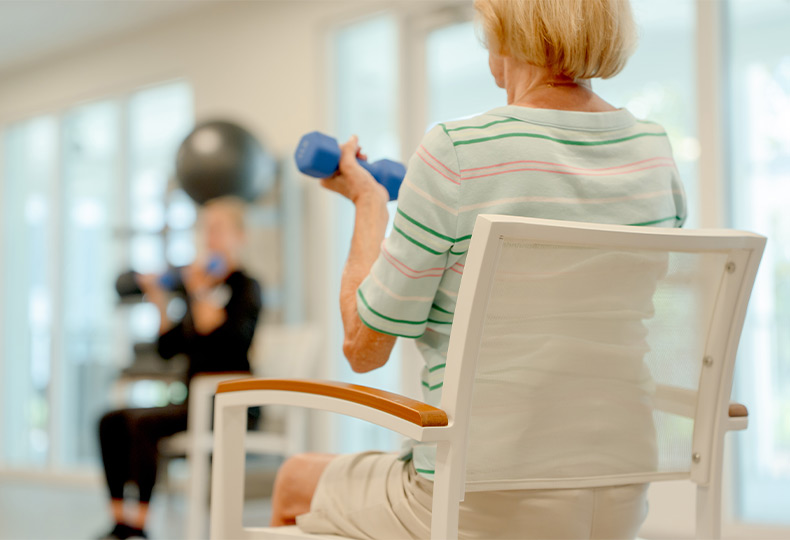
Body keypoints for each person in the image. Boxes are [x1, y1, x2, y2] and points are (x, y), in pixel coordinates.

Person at [270, 0, 687, 538]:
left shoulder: (457, 151)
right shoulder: (655, 153)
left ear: (503, 30)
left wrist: (369, 204)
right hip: (621, 493)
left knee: (294, 481)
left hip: (473, 503)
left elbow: (363, 348)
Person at [98, 197, 262, 540]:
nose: (210, 237)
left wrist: (198, 289)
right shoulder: (196, 288)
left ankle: (139, 527)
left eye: (218, 229)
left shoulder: (246, 286)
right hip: (193, 403)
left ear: (239, 236)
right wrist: (161, 304)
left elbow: (228, 339)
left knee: (144, 426)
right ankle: (120, 523)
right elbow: (168, 350)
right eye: (206, 229)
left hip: (230, 404)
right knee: (111, 421)